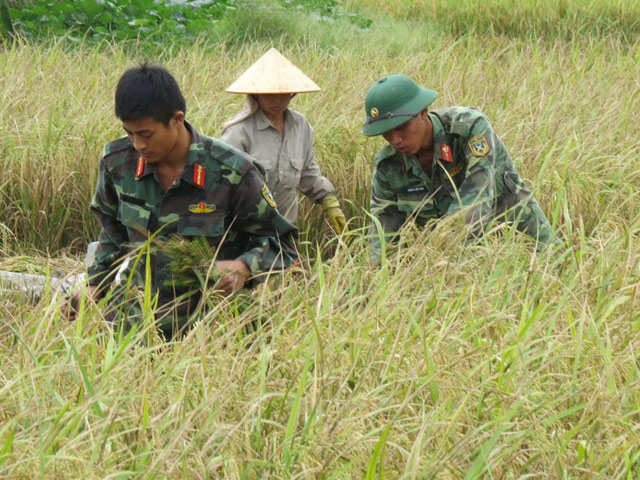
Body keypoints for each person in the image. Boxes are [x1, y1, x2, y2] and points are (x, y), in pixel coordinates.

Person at [63, 63, 298, 337]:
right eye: (130, 133)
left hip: (214, 327)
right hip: (133, 323)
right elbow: (113, 232)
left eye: (146, 134)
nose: (138, 145)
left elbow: (282, 243)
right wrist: (94, 285)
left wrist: (244, 267)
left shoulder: (232, 172)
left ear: (176, 119)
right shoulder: (117, 163)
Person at [362, 74, 559, 260]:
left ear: (423, 112)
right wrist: (376, 277)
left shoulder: (468, 128)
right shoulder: (388, 166)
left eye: (401, 127)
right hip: (450, 253)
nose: (395, 139)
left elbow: (477, 195)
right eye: (386, 132)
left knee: (556, 271)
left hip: (515, 229)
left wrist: (445, 256)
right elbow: (384, 226)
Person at [221, 48, 347, 234]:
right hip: (245, 233)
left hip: (284, 230)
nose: (278, 100)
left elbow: (307, 172)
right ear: (256, 95)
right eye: (270, 95)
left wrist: (328, 199)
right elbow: (222, 185)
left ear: (293, 94)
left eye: (284, 94)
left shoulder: (300, 126)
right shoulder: (239, 132)